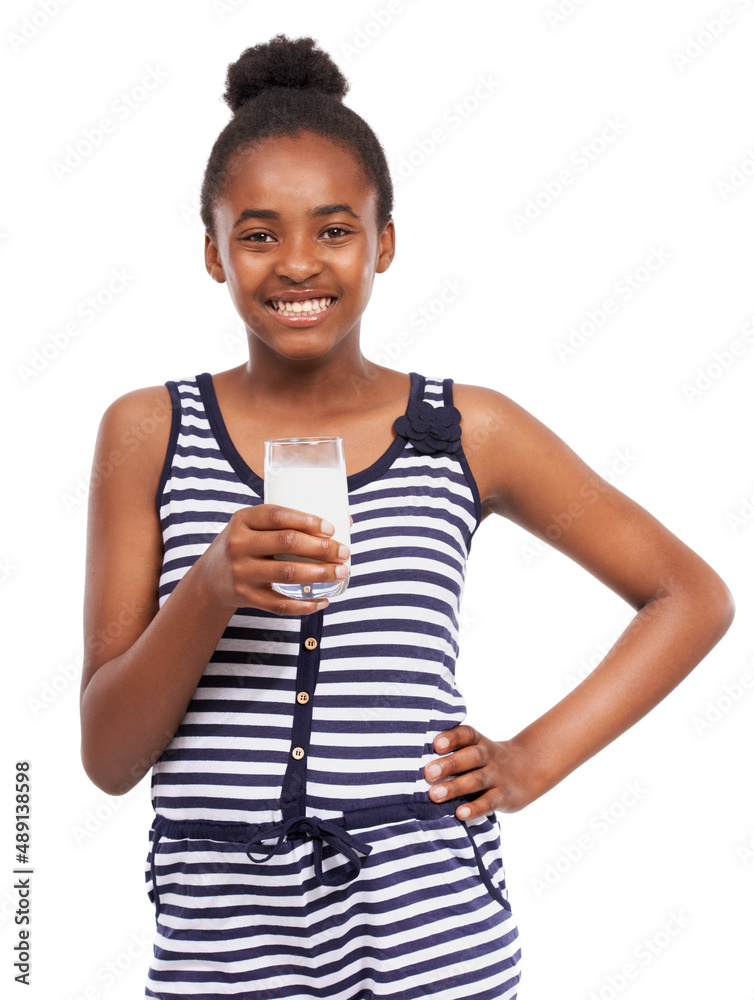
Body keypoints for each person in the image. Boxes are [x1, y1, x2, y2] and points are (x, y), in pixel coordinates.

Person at [79, 33, 735, 1000]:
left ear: (384, 241)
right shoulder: (148, 431)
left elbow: (690, 596)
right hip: (220, 949)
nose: (297, 262)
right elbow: (107, 757)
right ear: (213, 253)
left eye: (334, 230)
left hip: (429, 931)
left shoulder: (470, 429)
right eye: (257, 234)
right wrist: (213, 586)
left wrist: (527, 764)